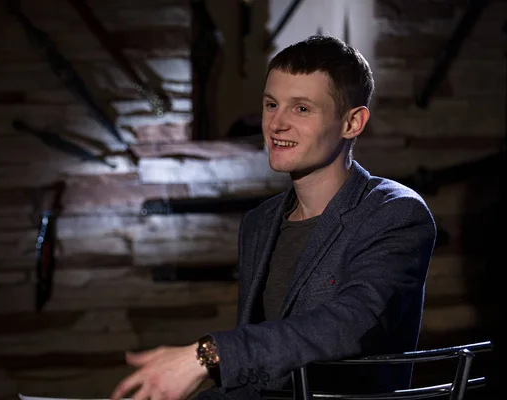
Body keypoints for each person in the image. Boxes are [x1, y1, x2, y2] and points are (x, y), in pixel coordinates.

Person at [110, 35, 437, 400]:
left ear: (353, 123)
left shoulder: (394, 211)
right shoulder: (259, 223)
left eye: (301, 109)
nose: (276, 124)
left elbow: (351, 324)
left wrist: (209, 355)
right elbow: (263, 377)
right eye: (271, 104)